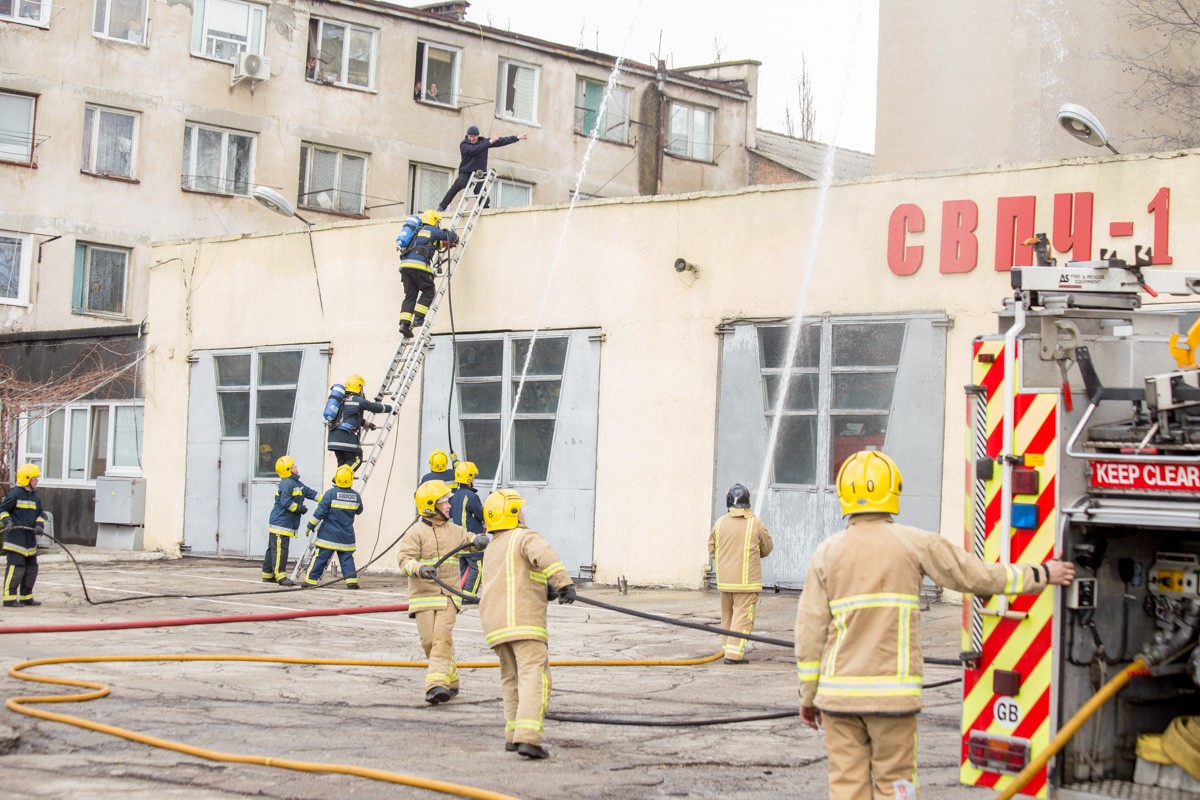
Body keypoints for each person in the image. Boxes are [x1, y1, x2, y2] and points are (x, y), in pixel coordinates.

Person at [794, 450, 1076, 800]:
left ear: (843, 495)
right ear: (893, 489)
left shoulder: (826, 553)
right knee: (896, 785)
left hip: (837, 700)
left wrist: (808, 696)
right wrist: (1042, 574)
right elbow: (977, 576)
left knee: (846, 788)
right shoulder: (914, 543)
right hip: (893, 701)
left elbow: (809, 633)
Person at [478, 489, 575, 759]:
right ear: (512, 514)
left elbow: (513, 577)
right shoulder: (525, 536)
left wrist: (545, 589)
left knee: (511, 678)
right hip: (524, 622)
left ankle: (512, 735)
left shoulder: (493, 546)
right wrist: (563, 584)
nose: (523, 513)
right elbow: (544, 556)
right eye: (519, 509)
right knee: (535, 675)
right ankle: (529, 738)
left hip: (496, 625)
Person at [397, 480, 489, 704]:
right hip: (422, 597)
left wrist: (477, 540)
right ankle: (452, 678)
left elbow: (467, 539)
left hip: (448, 596)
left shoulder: (455, 530)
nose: (449, 505)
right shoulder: (415, 533)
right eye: (445, 502)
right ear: (430, 506)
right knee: (429, 641)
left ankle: (436, 685)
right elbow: (404, 560)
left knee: (441, 638)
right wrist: (419, 568)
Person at [708, 483, 773, 664]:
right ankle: (733, 655)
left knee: (727, 616)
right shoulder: (756, 523)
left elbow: (711, 548)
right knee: (743, 618)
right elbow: (767, 548)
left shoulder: (719, 523)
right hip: (746, 583)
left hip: (725, 582)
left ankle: (727, 649)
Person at [436, 125, 529, 213]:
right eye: (470, 136)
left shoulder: (484, 142)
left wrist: (517, 137)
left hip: (478, 175)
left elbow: (501, 141)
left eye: (474, 137)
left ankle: (485, 211)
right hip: (466, 173)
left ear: (478, 136)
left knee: (482, 196)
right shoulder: (464, 145)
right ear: (467, 135)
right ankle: (442, 207)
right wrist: (489, 142)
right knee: (456, 187)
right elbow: (475, 150)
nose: (472, 139)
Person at [398, 210, 458, 340]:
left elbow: (436, 244)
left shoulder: (417, 233)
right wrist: (454, 237)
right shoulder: (431, 229)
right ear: (434, 221)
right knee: (428, 291)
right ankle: (419, 318)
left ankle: (404, 324)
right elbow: (450, 235)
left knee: (410, 296)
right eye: (438, 222)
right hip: (418, 265)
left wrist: (448, 245)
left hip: (405, 266)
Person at [303, 465, 363, 589]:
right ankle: (351, 581)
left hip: (327, 537)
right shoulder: (356, 496)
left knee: (320, 558)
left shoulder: (330, 494)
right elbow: (359, 510)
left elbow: (320, 512)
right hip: (346, 538)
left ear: (337, 478)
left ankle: (310, 581)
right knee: (347, 560)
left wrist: (310, 525)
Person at [261, 455, 317, 586]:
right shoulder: (286, 483)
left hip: (282, 523)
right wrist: (299, 509)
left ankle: (267, 574)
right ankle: (280, 576)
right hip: (281, 524)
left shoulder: (296, 483)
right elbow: (286, 502)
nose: (296, 467)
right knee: (281, 550)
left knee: (273, 548)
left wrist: (324, 498)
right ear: (288, 469)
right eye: (294, 466)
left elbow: (309, 492)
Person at [0, 464, 46, 607]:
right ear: (27, 479)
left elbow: (40, 513)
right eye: (34, 479)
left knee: (32, 568)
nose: (37, 481)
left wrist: (39, 525)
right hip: (15, 539)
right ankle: (9, 598)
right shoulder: (15, 494)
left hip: (29, 540)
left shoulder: (35, 496)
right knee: (16, 567)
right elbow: (2, 510)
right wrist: (7, 521)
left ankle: (27, 596)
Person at [327, 373, 392, 471]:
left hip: (333, 439)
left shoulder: (341, 400)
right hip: (346, 439)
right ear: (359, 387)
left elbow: (348, 417)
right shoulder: (358, 400)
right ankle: (339, 479)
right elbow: (374, 407)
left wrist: (367, 424)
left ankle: (339, 483)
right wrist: (390, 408)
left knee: (343, 462)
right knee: (356, 460)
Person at [449, 461, 485, 594]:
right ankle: (469, 595)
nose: (474, 479)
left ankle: (459, 594)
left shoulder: (455, 496)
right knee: (477, 569)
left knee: (463, 570)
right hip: (472, 541)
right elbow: (481, 515)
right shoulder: (471, 496)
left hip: (459, 542)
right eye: (474, 477)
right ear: (469, 478)